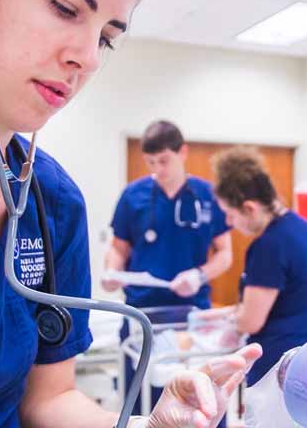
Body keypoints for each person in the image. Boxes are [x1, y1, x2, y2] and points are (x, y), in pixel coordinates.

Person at [0, 0, 261, 427]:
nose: (87, 58)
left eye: (108, 37)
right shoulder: (132, 198)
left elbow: (49, 400)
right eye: (65, 7)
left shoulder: (52, 204)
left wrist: (146, 425)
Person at [103, 120, 235, 418]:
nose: (158, 169)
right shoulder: (133, 195)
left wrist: (199, 275)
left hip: (192, 315)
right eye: (150, 162)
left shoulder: (208, 195)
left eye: (164, 160)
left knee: (203, 401)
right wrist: (112, 272)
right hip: (142, 315)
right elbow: (118, 248)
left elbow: (225, 254)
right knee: (141, 404)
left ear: (183, 152)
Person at [207, 146, 307, 387]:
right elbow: (284, 302)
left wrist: (230, 323)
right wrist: (224, 313)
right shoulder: (306, 231)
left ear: (249, 208)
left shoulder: (269, 246)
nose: (229, 223)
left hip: (275, 368)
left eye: (229, 214)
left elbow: (251, 321)